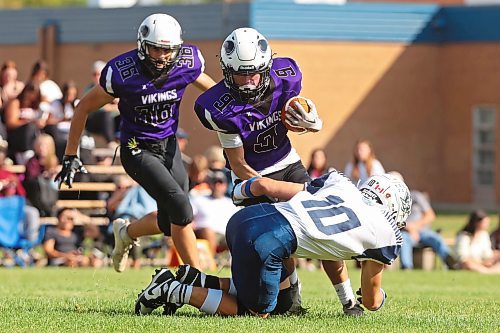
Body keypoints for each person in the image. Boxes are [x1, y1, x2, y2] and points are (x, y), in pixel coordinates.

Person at [193, 28, 355, 315]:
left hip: (289, 164)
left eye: (254, 72)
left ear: (267, 66)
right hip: (250, 176)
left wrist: (308, 121)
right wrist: (266, 188)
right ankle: (292, 299)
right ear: (227, 71)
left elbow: (297, 114)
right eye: (240, 74)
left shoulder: (287, 75)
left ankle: (349, 302)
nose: (248, 80)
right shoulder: (217, 107)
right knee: (280, 243)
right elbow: (239, 163)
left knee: (325, 234)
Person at [54, 13, 216, 275]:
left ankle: (125, 232)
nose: (163, 56)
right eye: (156, 48)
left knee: (169, 220)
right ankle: (196, 279)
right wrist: (70, 154)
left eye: (168, 50)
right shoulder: (122, 72)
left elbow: (214, 92)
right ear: (142, 45)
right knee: (183, 209)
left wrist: (239, 112)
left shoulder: (187, 62)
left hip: (168, 145)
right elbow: (83, 107)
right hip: (136, 148)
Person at [134, 171, 412, 317]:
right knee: (257, 311)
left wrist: (245, 189)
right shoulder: (385, 232)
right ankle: (174, 290)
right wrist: (373, 297)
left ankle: (193, 278)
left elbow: (273, 188)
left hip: (246, 218)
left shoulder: (341, 184)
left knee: (279, 301)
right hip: (268, 240)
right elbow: (373, 301)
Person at [389, 171, 458, 270]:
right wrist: (408, 228)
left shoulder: (416, 196)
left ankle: (450, 262)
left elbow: (430, 215)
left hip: (422, 231)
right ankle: (407, 267)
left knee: (436, 238)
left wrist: (415, 227)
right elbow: (390, 220)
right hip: (403, 232)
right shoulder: (389, 201)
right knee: (403, 240)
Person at [190, 169, 239, 254]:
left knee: (240, 236)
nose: (217, 185)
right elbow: (189, 218)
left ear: (225, 185)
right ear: (210, 184)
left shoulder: (231, 204)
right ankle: (211, 262)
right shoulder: (198, 199)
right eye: (214, 182)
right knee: (208, 231)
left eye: (220, 182)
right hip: (203, 232)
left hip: (225, 235)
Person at [4, 83, 47, 164]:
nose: (32, 96)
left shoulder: (36, 107)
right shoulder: (16, 103)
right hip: (18, 136)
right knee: (28, 127)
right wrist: (28, 122)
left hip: (34, 135)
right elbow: (11, 123)